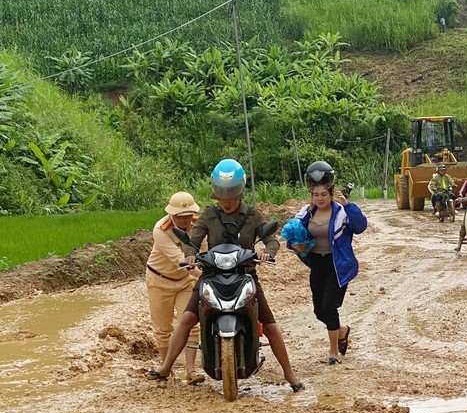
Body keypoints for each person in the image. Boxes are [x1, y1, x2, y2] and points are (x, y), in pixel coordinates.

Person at [146, 159, 304, 392]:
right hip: (211, 275)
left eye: (230, 197)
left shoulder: (253, 215)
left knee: (269, 325)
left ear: (240, 192)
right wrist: (190, 255)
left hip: (246, 275)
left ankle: (289, 374)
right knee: (187, 319)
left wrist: (267, 252)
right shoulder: (208, 215)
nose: (226, 202)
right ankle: (166, 367)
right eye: (222, 197)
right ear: (216, 196)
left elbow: (271, 239)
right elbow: (193, 241)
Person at [290, 161, 367, 365]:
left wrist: (349, 205)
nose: (320, 198)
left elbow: (360, 227)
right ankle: (341, 331)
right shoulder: (306, 212)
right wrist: (295, 245)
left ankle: (332, 352)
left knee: (329, 306)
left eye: (324, 194)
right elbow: (293, 235)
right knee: (318, 310)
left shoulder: (341, 212)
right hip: (317, 264)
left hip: (338, 265)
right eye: (316, 194)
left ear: (331, 193)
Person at [145, 192, 204, 385]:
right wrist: (205, 274)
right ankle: (166, 368)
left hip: (185, 280)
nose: (185, 219)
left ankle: (191, 370)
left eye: (188, 215)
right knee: (163, 328)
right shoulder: (161, 230)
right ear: (172, 215)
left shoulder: (198, 225)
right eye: (180, 216)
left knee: (190, 323)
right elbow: (180, 259)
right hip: (160, 280)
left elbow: (205, 250)